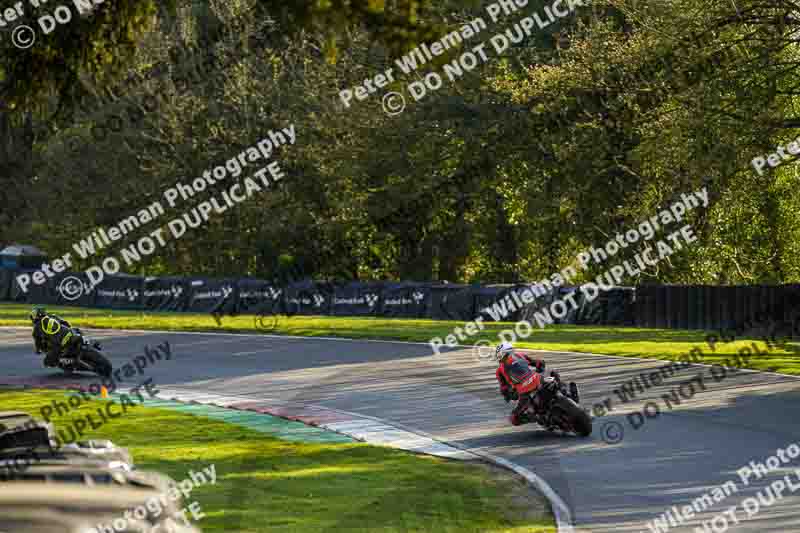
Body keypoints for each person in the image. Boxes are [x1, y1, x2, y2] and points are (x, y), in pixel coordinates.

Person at [495, 342, 579, 426]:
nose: (500, 358)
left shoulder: (500, 370)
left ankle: (536, 417)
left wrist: (508, 395)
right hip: (537, 381)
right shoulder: (520, 355)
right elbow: (538, 362)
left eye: (500, 355)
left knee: (514, 418)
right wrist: (540, 367)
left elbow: (504, 388)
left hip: (525, 391)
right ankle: (569, 395)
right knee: (553, 374)